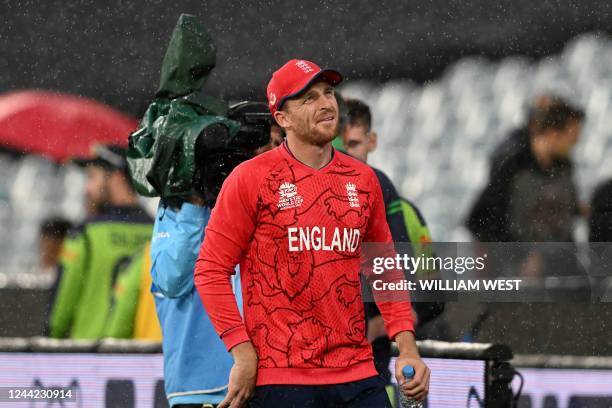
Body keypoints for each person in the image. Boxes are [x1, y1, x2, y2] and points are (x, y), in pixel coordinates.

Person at [195, 59, 430, 408]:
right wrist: (242, 352)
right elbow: (210, 271)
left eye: (328, 93)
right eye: (308, 98)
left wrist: (408, 349)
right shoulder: (249, 179)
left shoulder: (364, 180)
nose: (325, 104)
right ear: (282, 119)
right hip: (281, 379)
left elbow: (384, 270)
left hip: (358, 376)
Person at [341, 98, 447, 399]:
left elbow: (432, 295)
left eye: (354, 144)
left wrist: (377, 325)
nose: (347, 155)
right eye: (341, 146)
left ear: (371, 142)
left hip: (380, 370)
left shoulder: (400, 210)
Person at [48, 144, 153, 339]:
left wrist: (50, 335)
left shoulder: (86, 234)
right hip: (139, 359)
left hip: (89, 355)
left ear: (117, 177)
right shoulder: (157, 232)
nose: (87, 189)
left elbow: (62, 302)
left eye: (92, 177)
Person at [467, 98, 585, 244]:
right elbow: (480, 222)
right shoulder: (512, 166)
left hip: (555, 258)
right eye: (572, 137)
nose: (575, 143)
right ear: (552, 132)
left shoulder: (564, 166)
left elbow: (564, 214)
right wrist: (518, 256)